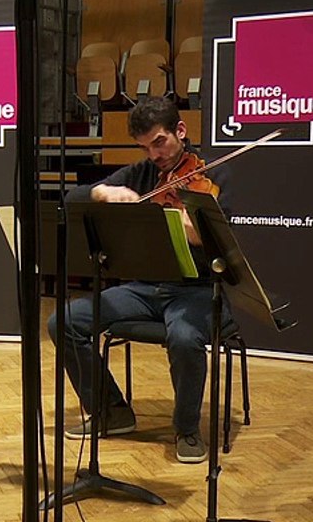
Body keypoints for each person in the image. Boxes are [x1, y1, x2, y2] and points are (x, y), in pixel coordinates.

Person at [47, 95, 234, 464]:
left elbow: (218, 239)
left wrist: (175, 220)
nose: (155, 155)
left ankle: (187, 429)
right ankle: (111, 411)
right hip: (144, 289)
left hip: (197, 290)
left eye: (159, 142)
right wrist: (105, 192)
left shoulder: (214, 175)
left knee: (184, 337)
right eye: (145, 147)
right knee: (64, 321)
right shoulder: (142, 173)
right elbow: (74, 198)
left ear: (180, 131)